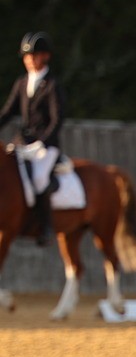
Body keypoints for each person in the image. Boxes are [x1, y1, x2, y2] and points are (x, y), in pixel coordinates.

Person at [0, 32, 65, 246]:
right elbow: (8, 112)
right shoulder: (22, 82)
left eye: (33, 56)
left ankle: (44, 227)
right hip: (23, 143)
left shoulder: (53, 84)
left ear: (44, 56)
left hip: (46, 147)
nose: (29, 60)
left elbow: (57, 120)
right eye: (26, 57)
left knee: (38, 179)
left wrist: (42, 142)